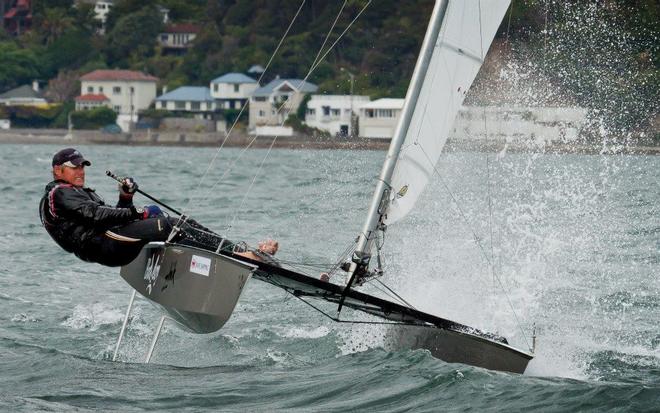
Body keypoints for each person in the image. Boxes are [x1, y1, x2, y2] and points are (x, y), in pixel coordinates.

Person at [39, 147, 278, 267]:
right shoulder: (59, 193)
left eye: (82, 167)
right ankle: (236, 258)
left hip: (108, 239)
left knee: (176, 221)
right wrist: (136, 212)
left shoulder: (75, 191)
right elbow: (98, 215)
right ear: (58, 170)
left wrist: (125, 197)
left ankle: (237, 251)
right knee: (168, 225)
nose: (81, 172)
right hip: (101, 245)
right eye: (75, 167)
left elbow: (113, 218)